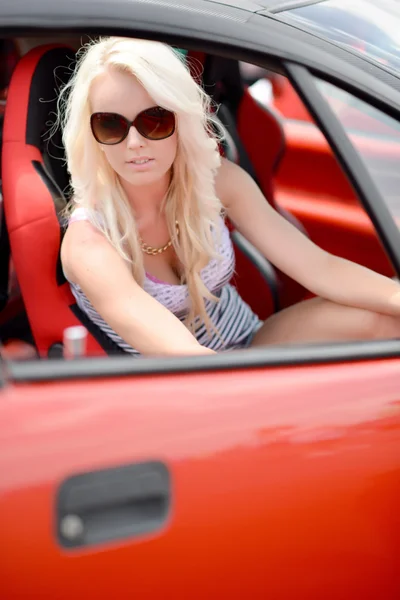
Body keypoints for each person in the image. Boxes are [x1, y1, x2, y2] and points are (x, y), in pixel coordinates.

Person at [60, 36, 400, 358]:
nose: (134, 143)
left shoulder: (215, 181)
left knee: (385, 319)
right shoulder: (90, 245)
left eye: (155, 119)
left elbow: (320, 268)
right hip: (192, 393)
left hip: (252, 345)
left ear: (182, 117)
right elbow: (187, 360)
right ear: (90, 135)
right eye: (111, 125)